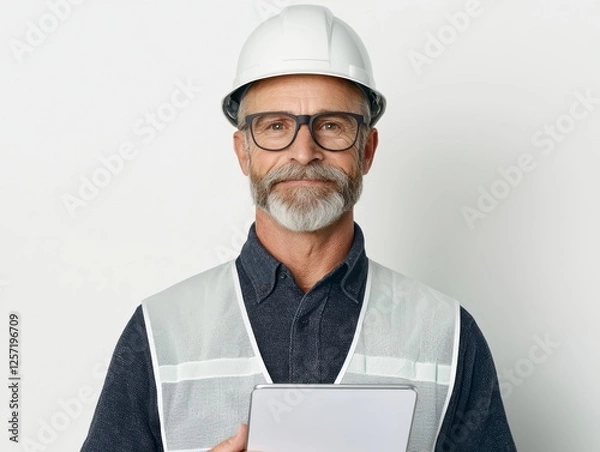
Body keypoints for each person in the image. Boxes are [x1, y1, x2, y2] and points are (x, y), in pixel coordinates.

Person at [81, 5, 517, 452]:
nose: (304, 151)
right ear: (243, 151)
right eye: (275, 126)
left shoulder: (446, 333)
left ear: (367, 149)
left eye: (331, 125)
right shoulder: (161, 332)